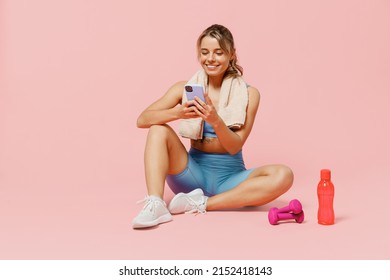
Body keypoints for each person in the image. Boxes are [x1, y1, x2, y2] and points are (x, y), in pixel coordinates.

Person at [132, 24, 293, 229]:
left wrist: (215, 120)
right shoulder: (184, 88)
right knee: (158, 129)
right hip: (191, 175)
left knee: (284, 175)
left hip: (231, 181)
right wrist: (178, 112)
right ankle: (156, 204)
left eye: (219, 52)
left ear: (231, 54)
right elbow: (143, 119)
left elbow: (235, 146)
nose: (211, 59)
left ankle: (202, 203)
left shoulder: (249, 94)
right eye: (204, 52)